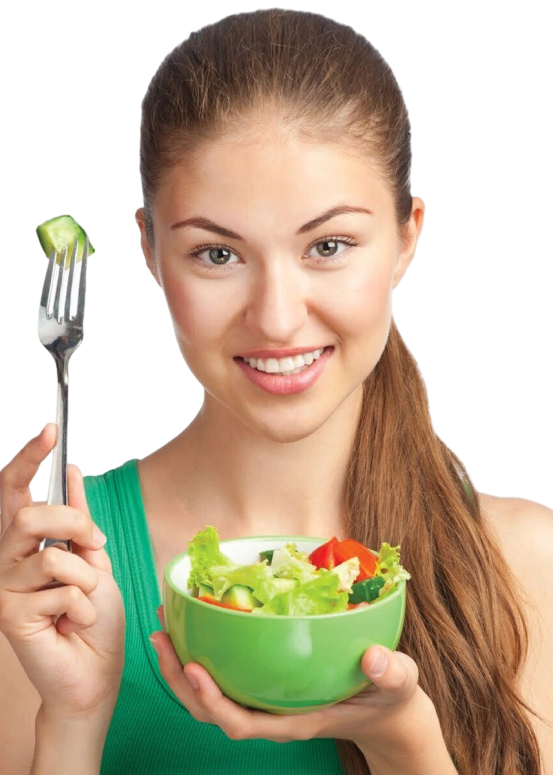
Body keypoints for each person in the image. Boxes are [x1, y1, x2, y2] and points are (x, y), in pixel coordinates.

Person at [1, 8, 552, 775]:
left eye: (327, 245)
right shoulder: (53, 575)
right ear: (149, 252)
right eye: (217, 252)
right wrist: (72, 717)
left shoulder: (525, 560)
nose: (277, 317)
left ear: (406, 237)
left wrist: (402, 741)